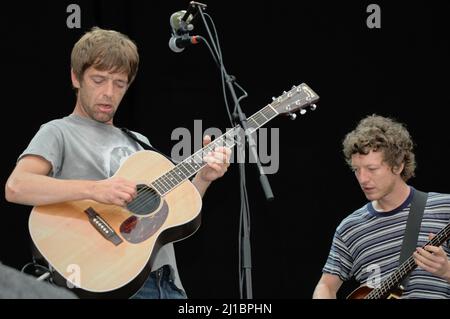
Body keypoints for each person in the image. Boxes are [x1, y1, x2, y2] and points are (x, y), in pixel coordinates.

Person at [4, 27, 231, 299]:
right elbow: (17, 187)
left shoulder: (139, 141)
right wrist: (95, 189)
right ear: (76, 78)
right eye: (99, 80)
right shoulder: (58, 131)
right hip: (111, 283)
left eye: (119, 84)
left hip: (167, 285)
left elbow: (177, 212)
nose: (109, 93)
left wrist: (203, 178)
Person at [313, 115, 450, 299]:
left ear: (398, 165)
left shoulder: (444, 208)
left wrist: (447, 272)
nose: (362, 179)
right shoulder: (349, 228)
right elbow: (326, 286)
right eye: (356, 170)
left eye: (372, 169)